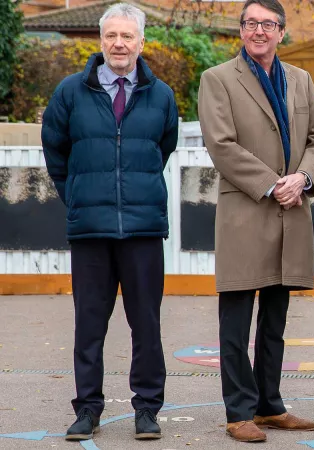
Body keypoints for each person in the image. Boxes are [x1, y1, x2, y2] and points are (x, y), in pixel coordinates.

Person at [41, 2, 178, 442]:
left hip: (142, 230)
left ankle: (147, 409)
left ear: (141, 42)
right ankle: (87, 409)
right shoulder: (69, 92)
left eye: (128, 37)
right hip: (90, 230)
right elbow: (55, 152)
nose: (119, 44)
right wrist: (80, 196)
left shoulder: (161, 94)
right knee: (89, 326)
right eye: (111, 36)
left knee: (147, 325)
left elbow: (164, 146)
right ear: (101, 41)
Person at [197, 0, 314, 443]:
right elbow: (222, 145)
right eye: (251, 23)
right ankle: (239, 412)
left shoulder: (301, 79)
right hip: (247, 213)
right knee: (235, 324)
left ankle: (269, 405)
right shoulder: (217, 79)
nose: (259, 31)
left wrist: (304, 178)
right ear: (241, 30)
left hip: (291, 215)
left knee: (275, 322)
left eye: (268, 24)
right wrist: (275, 184)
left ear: (281, 32)